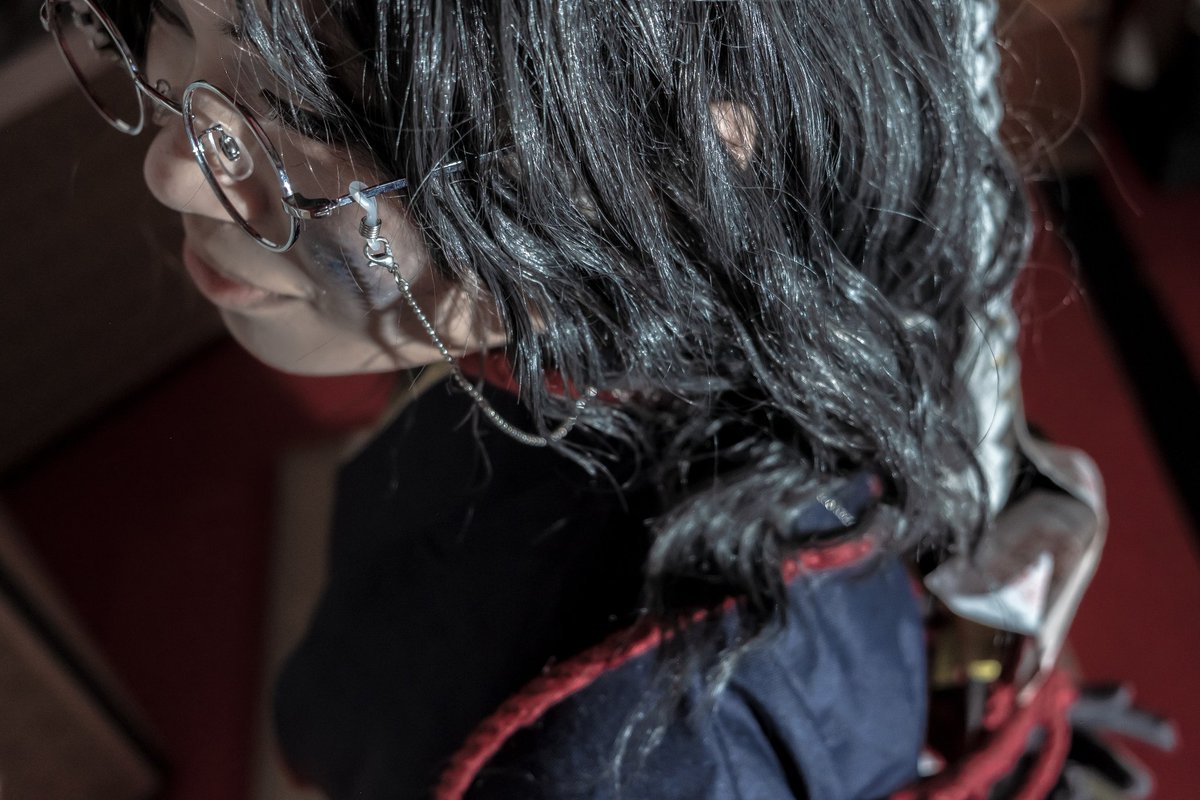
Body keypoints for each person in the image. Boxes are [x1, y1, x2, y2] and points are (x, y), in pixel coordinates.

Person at [41, 0, 1144, 797]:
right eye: (172, 19)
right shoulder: (587, 328)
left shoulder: (637, 754)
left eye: (304, 101)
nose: (173, 167)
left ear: (680, 154)